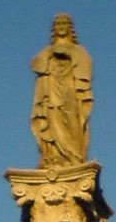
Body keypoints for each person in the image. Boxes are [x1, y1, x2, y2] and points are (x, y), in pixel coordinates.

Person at [30, 14, 93, 167]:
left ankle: (74, 156)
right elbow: (36, 66)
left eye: (64, 24)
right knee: (52, 121)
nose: (61, 27)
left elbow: (86, 65)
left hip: (69, 91)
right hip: (51, 92)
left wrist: (69, 54)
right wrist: (50, 55)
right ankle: (53, 157)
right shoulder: (48, 50)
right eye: (58, 25)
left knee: (71, 121)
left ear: (70, 28)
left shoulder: (77, 50)